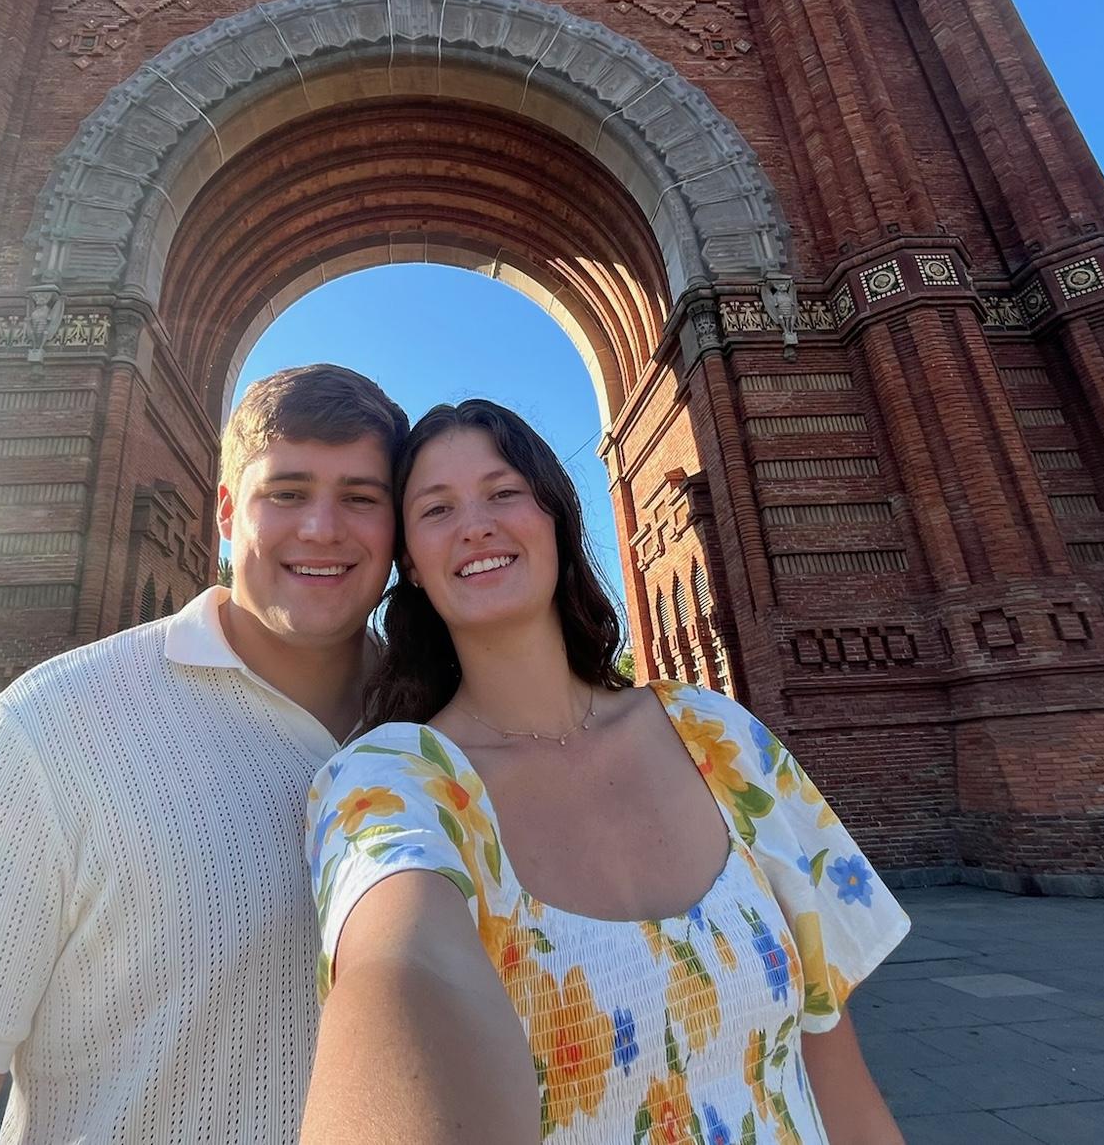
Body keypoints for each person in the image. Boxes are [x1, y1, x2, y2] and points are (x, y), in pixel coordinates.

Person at [0, 364, 408, 1145]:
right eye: (286, 493)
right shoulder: (49, 731)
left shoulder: (442, 731)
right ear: (224, 512)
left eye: (360, 497)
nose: (322, 528)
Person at [302, 399, 909, 1144]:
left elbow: (833, 1062)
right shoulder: (393, 781)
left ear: (556, 516)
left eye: (504, 492)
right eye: (437, 509)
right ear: (414, 570)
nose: (476, 524)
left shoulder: (717, 735)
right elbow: (399, 965)